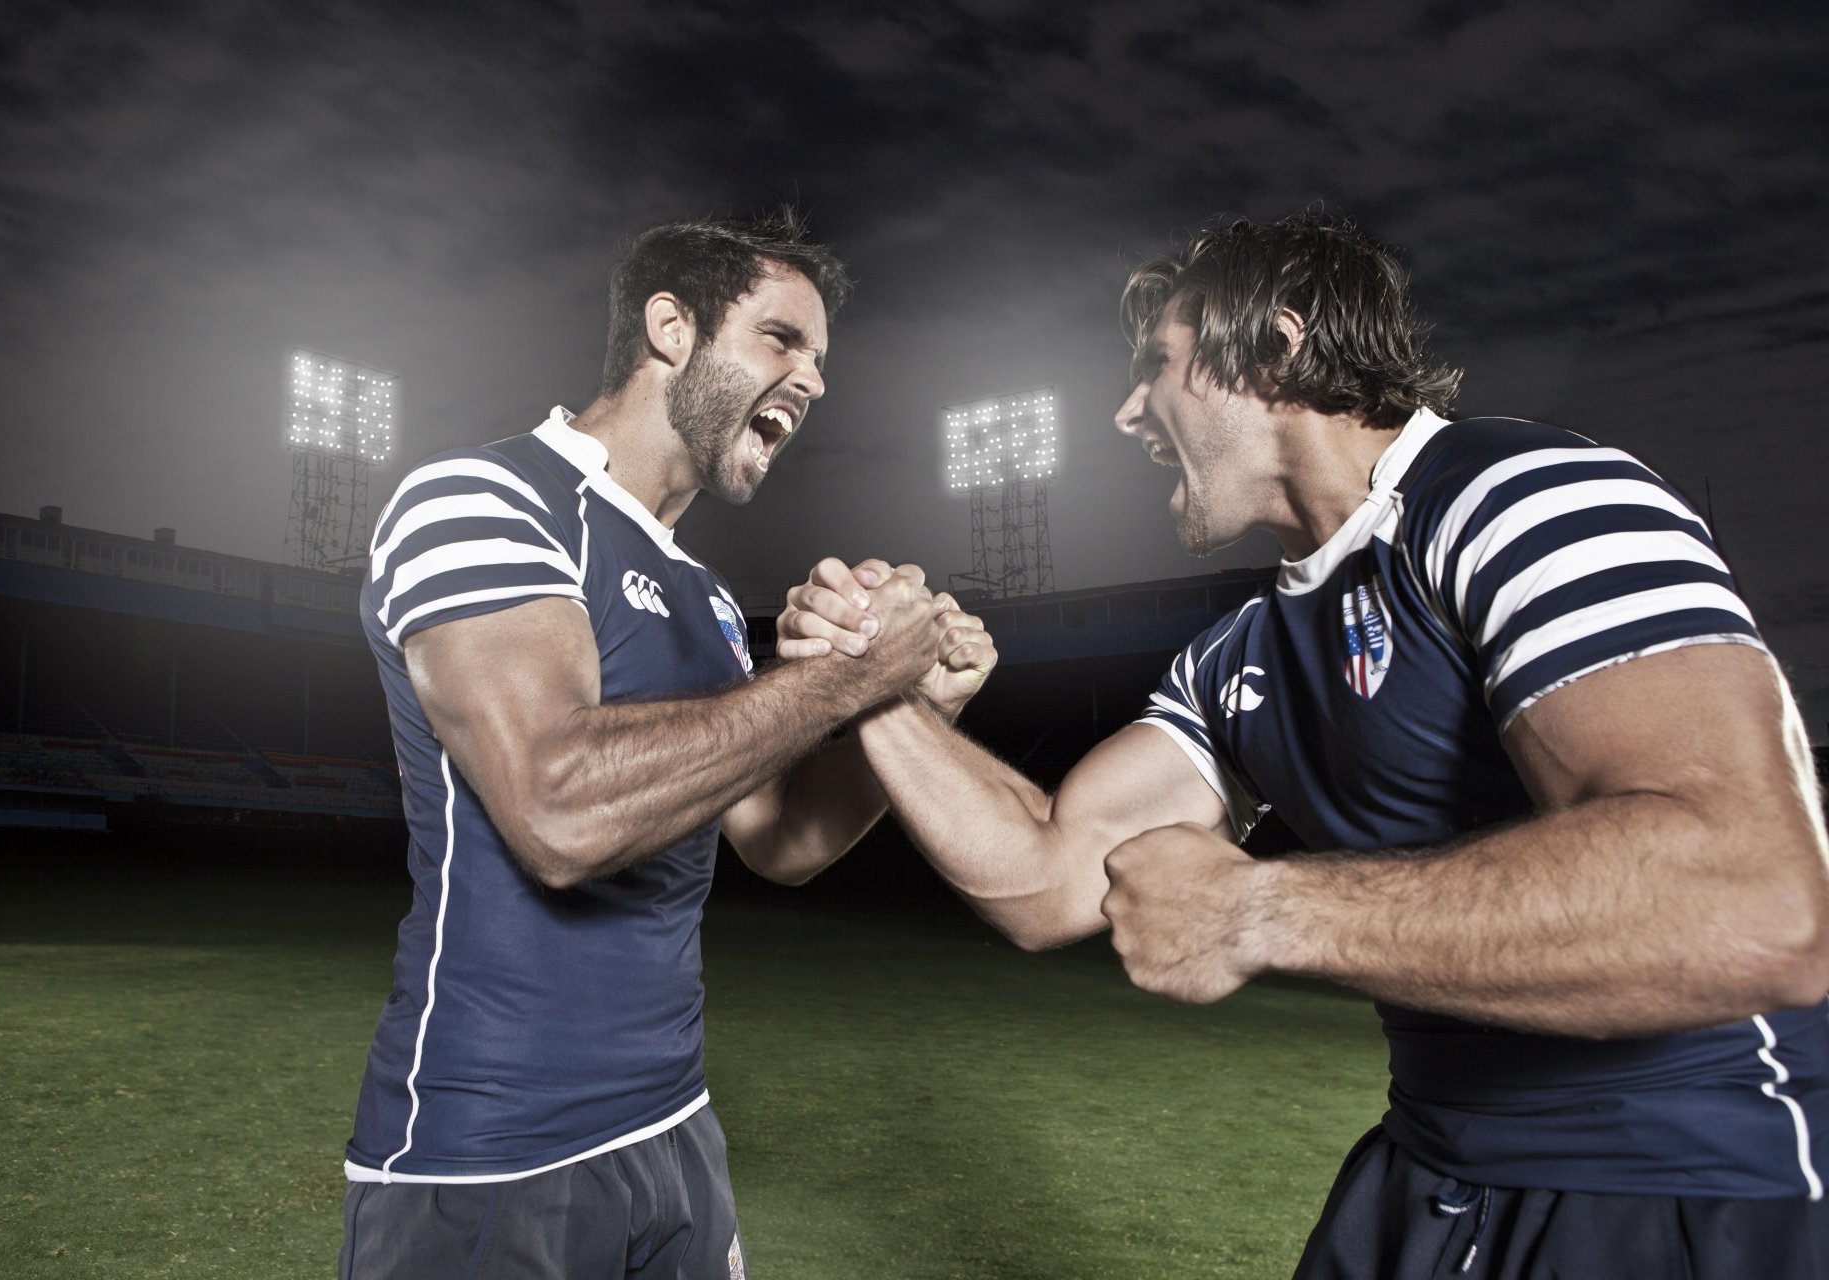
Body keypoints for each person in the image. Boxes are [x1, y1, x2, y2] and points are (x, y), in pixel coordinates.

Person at [783, 212, 1829, 1277]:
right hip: (1429, 1172)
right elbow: (1050, 874)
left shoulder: (1522, 493)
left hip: (1685, 1185)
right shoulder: (1242, 652)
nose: (1127, 409)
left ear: (1276, 349)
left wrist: (1263, 909)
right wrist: (873, 688)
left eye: (1158, 365)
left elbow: (1750, 897)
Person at [339, 212, 983, 1279]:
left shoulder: (710, 602)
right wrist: (844, 675)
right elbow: (558, 809)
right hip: (487, 1159)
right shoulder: (482, 498)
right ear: (671, 328)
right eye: (783, 339)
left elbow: (778, 841)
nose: (813, 380)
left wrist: (912, 706)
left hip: (675, 1132)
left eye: (820, 359)